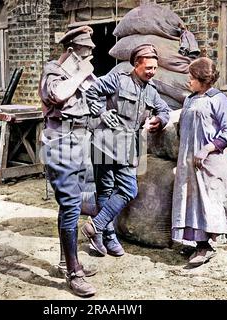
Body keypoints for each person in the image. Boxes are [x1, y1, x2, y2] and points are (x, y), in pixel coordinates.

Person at [81, 44, 171, 257]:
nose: (152, 72)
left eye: (155, 68)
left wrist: (160, 119)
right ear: (136, 65)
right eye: (148, 67)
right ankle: (107, 237)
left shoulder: (151, 91)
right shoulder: (117, 80)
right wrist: (101, 112)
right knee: (105, 190)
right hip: (103, 143)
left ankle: (96, 227)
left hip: (128, 147)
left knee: (128, 189)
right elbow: (91, 91)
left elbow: (164, 109)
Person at [38, 25, 98, 297]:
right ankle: (74, 272)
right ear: (72, 51)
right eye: (86, 53)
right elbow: (57, 95)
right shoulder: (54, 71)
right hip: (59, 144)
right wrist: (82, 73)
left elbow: (92, 105)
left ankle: (66, 262)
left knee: (72, 204)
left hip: (79, 143)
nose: (89, 58)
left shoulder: (79, 75)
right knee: (72, 206)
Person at [171, 57, 227, 268]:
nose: (189, 81)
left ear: (202, 79)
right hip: (188, 160)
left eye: (192, 78)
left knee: (207, 201)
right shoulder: (190, 99)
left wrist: (207, 148)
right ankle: (196, 241)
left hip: (209, 161)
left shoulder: (220, 100)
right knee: (190, 200)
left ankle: (205, 247)